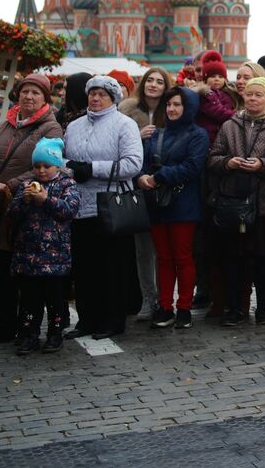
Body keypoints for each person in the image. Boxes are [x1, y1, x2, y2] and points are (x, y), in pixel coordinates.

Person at [0, 72, 62, 346]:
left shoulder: (50, 127)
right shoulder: (6, 123)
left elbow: (44, 168)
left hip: (26, 208)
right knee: (1, 268)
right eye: (25, 91)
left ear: (44, 99)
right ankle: (2, 325)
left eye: (35, 93)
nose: (28, 96)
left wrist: (9, 187)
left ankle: (27, 327)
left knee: (27, 271)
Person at [207, 77, 265, 326]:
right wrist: (227, 162)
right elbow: (213, 158)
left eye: (259, 95)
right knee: (234, 259)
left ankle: (264, 309)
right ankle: (235, 309)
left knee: (263, 260)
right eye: (250, 94)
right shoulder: (229, 125)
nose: (253, 98)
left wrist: (262, 164)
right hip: (234, 204)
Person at [62, 75, 143, 339]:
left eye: (102, 95)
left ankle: (112, 320)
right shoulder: (74, 126)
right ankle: (87, 319)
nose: (96, 99)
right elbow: (63, 160)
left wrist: (93, 169)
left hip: (111, 207)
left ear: (113, 98)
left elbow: (132, 164)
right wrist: (71, 170)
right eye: (92, 94)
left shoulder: (125, 124)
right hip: (79, 206)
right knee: (85, 269)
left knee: (112, 269)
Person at [135, 87, 208, 328]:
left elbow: (192, 167)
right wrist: (143, 177)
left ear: (188, 108)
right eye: (169, 104)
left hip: (183, 203)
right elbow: (144, 162)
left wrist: (160, 176)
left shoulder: (198, 134)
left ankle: (184, 308)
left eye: (177, 104)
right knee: (164, 259)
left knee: (183, 257)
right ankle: (165, 307)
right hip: (157, 203)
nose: (172, 109)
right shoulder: (157, 134)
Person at [7, 138, 80, 355]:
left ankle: (55, 333)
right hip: (28, 257)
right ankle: (29, 334)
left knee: (55, 299)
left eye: (46, 166)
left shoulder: (67, 184)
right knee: (30, 300)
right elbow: (11, 215)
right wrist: (25, 201)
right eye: (37, 166)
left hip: (55, 258)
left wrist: (46, 199)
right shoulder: (25, 186)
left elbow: (69, 210)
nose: (41, 171)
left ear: (57, 166)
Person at [115, 65, 173, 323]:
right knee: (143, 251)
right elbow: (118, 145)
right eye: (150, 80)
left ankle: (164, 300)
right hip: (137, 187)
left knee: (164, 250)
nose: (154, 85)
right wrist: (137, 136)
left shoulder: (172, 110)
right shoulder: (127, 111)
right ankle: (148, 300)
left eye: (159, 81)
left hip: (165, 188)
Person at [195, 55, 239, 143]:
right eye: (213, 76)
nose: (217, 79)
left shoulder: (228, 94)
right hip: (209, 136)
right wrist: (236, 115)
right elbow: (218, 112)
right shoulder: (206, 94)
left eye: (220, 77)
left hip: (224, 135)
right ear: (205, 79)